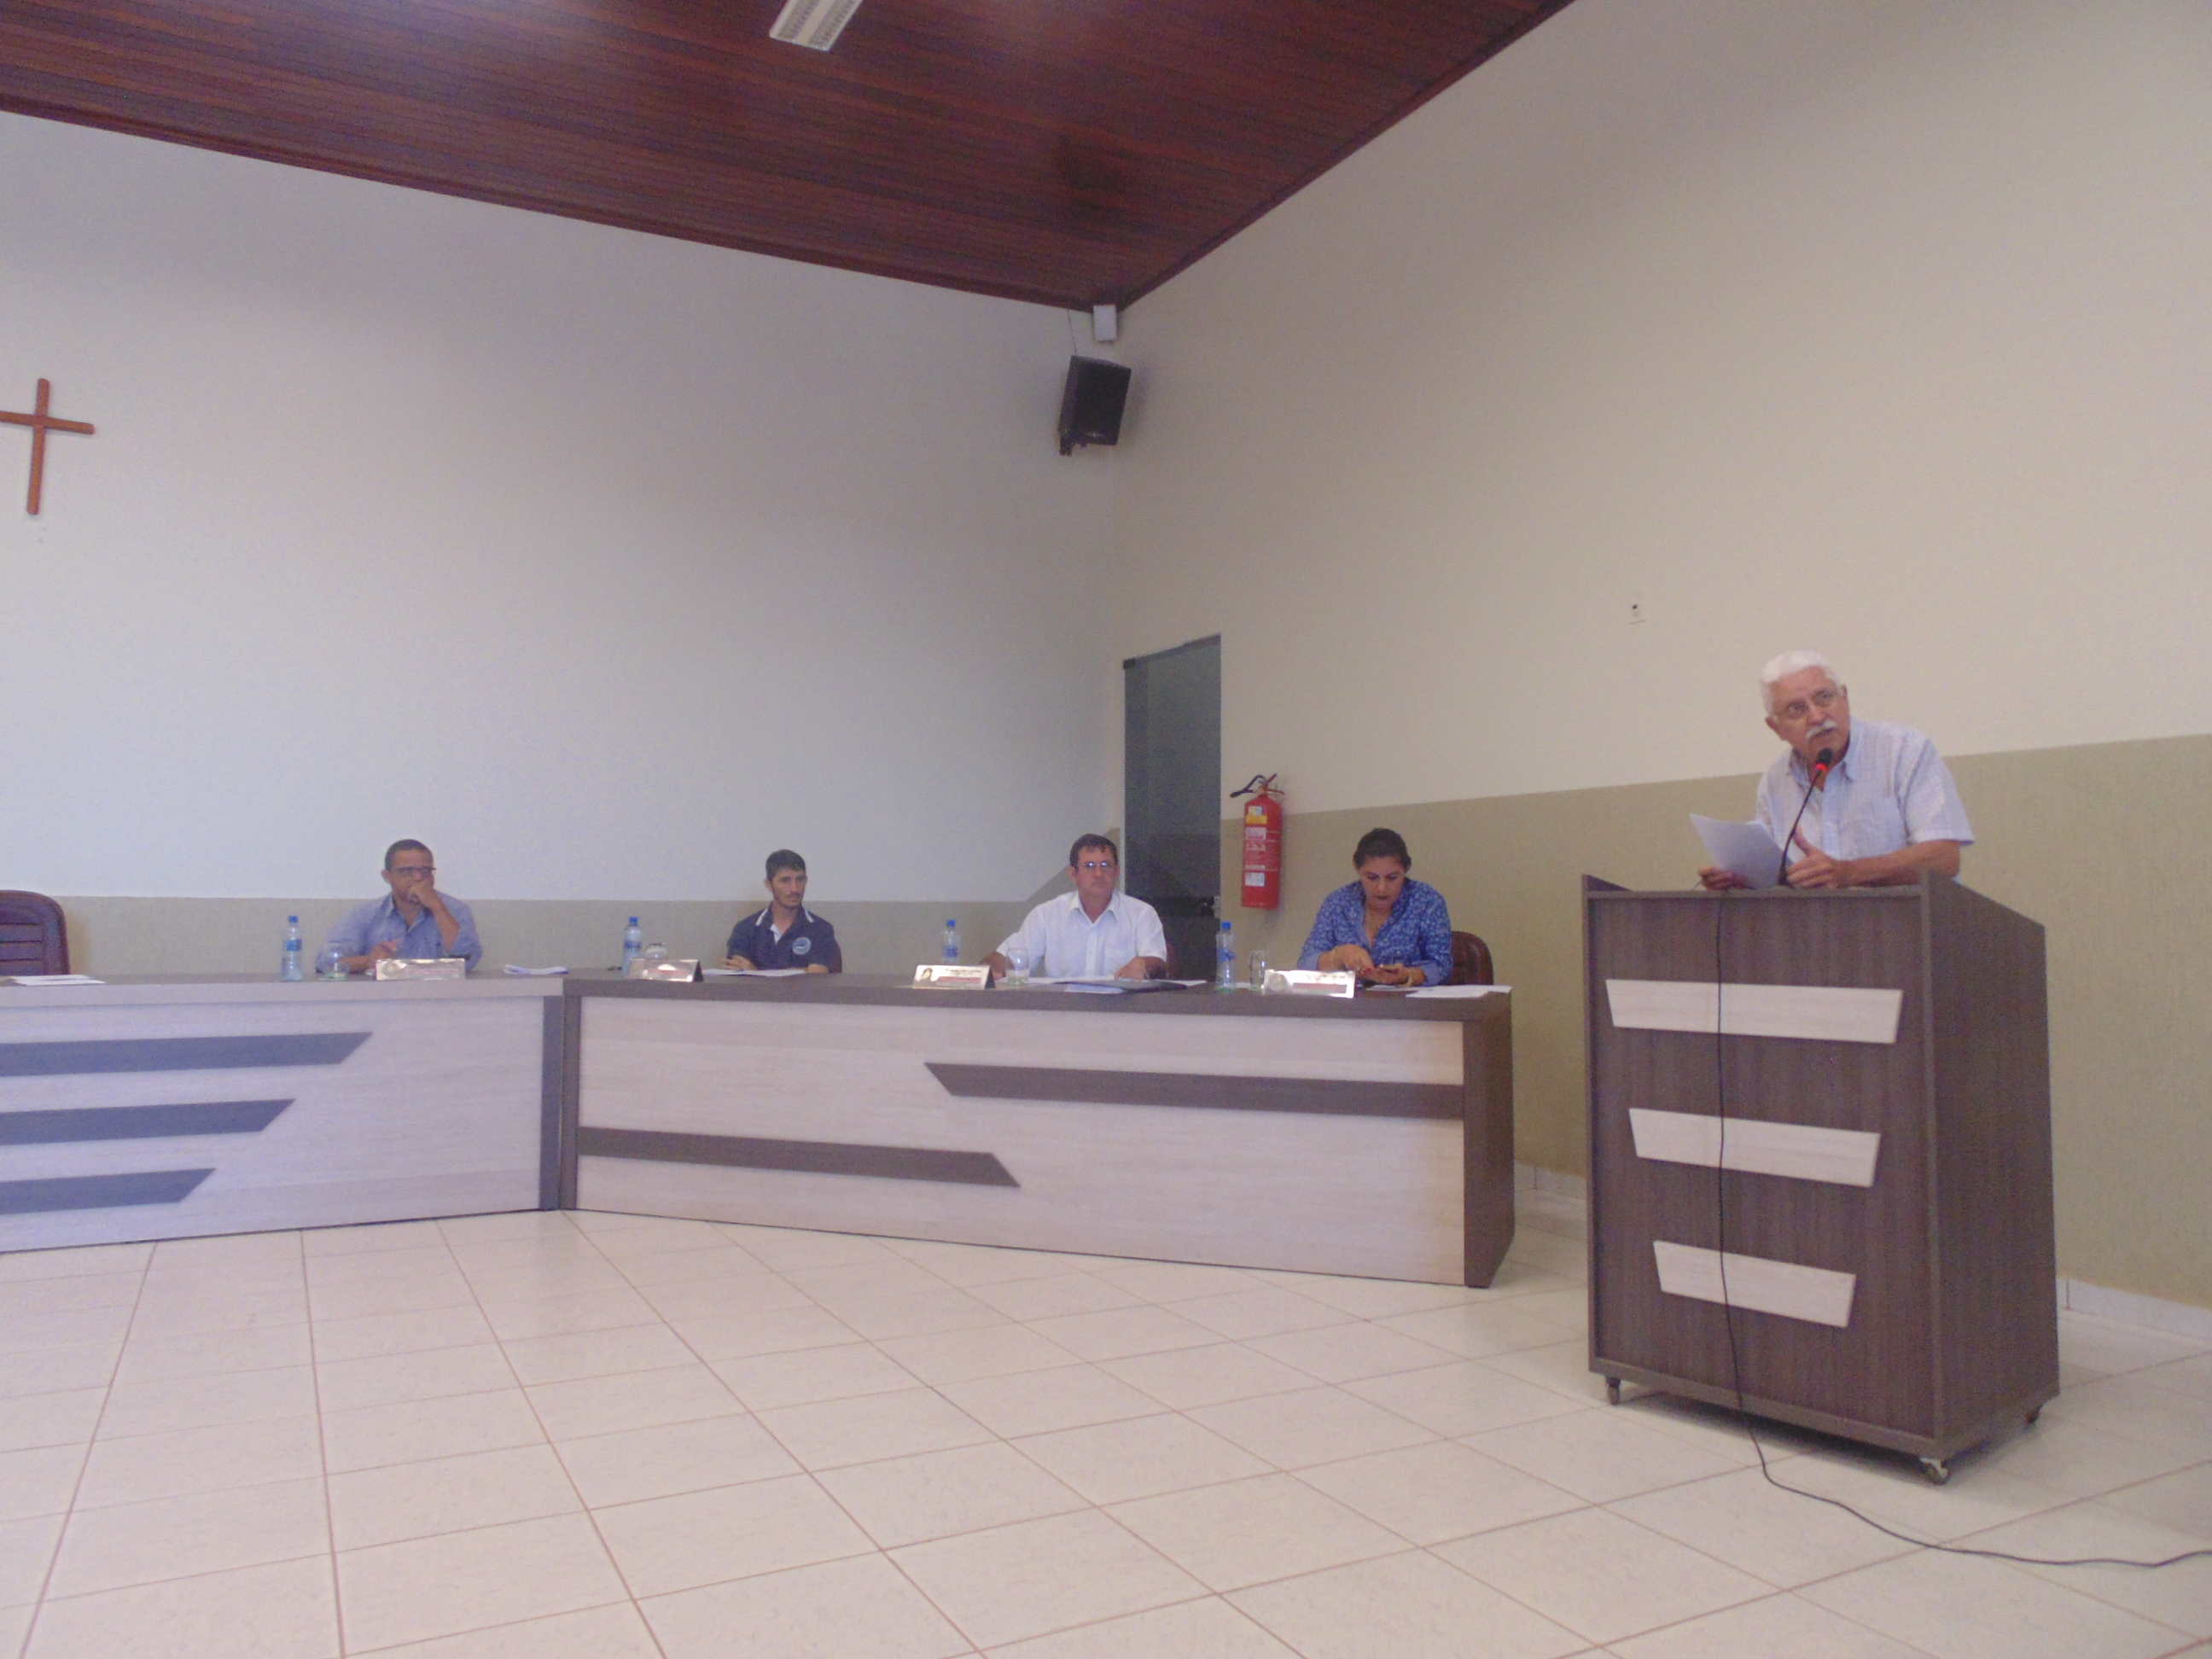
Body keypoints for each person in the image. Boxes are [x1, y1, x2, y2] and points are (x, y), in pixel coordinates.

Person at [1701, 650, 1973, 891]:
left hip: (1905, 925)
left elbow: (1943, 858)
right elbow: (1774, 875)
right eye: (1797, 709)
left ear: (1845, 698)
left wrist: (1849, 873)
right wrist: (1745, 881)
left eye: (1824, 698)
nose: (1817, 716)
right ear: (1776, 727)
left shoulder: (1905, 750)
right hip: (1818, 929)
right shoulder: (1775, 781)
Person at [983, 835, 1167, 981]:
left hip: (1123, 1010)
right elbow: (1008, 957)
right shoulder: (1046, 915)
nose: (1099, 874)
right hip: (1062, 1010)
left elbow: (1158, 964)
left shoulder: (1141, 913)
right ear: (1073, 873)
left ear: (1117, 871)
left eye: (1106, 865)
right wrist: (988, 970)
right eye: (1089, 866)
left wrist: (1143, 965)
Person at [1296, 827, 1455, 987]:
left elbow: (1441, 965)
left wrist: (1407, 976)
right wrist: (1338, 956)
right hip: (1351, 1001)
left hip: (1405, 999)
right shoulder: (1338, 903)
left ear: (1406, 869)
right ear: (1357, 869)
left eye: (1392, 878)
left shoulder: (1427, 902)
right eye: (1372, 878)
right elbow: (1305, 963)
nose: (1381, 888)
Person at [327, 840, 481, 972]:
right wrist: (367, 961)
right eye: (407, 871)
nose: (419, 878)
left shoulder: (456, 910)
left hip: (439, 995)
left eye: (426, 870)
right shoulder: (365, 913)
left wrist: (437, 907)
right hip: (382, 996)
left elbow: (468, 960)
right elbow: (327, 961)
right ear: (387, 876)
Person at [726, 849, 842, 973]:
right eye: (785, 880)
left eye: (800, 879)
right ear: (769, 884)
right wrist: (801, 971)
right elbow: (738, 976)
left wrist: (755, 972)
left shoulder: (821, 929)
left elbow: (816, 976)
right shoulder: (745, 929)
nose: (794, 889)